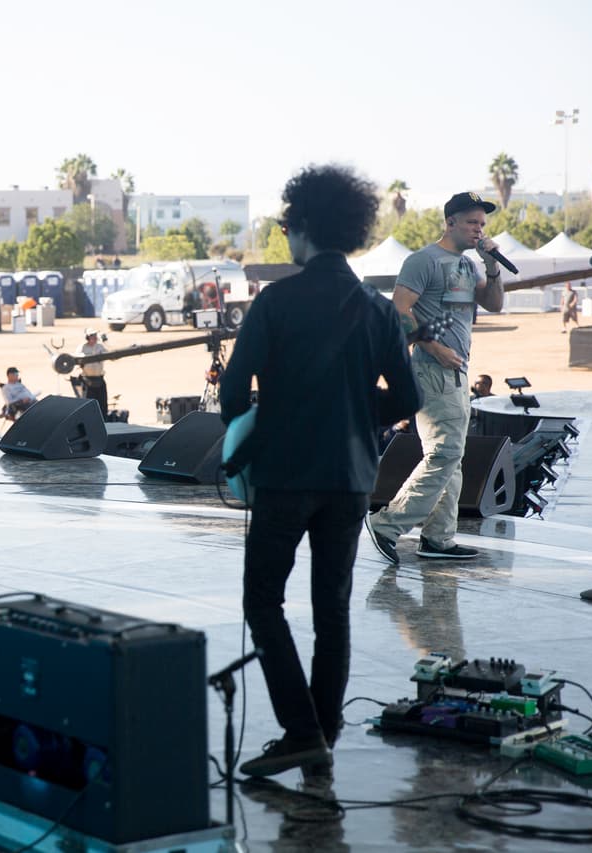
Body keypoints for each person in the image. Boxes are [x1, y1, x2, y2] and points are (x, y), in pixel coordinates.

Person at [219, 164, 420, 778]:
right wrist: (359, 417)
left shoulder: (276, 301)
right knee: (331, 608)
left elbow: (232, 390)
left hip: (284, 475)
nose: (284, 235)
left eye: (286, 226)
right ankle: (323, 733)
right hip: (352, 478)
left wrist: (250, 430)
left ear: (304, 226)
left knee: (262, 602)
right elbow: (407, 400)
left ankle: (301, 730)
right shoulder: (378, 310)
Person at [365, 192, 505, 565]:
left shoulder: (467, 266)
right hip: (431, 369)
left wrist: (492, 268)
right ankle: (387, 525)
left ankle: (438, 538)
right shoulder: (423, 261)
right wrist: (433, 348)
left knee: (450, 457)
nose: (480, 230)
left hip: (457, 372)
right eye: (473, 222)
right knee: (444, 453)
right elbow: (398, 311)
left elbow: (493, 304)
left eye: (483, 224)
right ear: (451, 222)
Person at [75, 328, 109, 416]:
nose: (94, 338)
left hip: (99, 380)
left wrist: (106, 342)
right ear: (87, 337)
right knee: (88, 406)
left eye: (95, 336)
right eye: (92, 336)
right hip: (87, 381)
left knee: (102, 405)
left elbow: (112, 356)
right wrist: (84, 357)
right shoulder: (82, 348)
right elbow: (77, 358)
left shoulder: (100, 347)